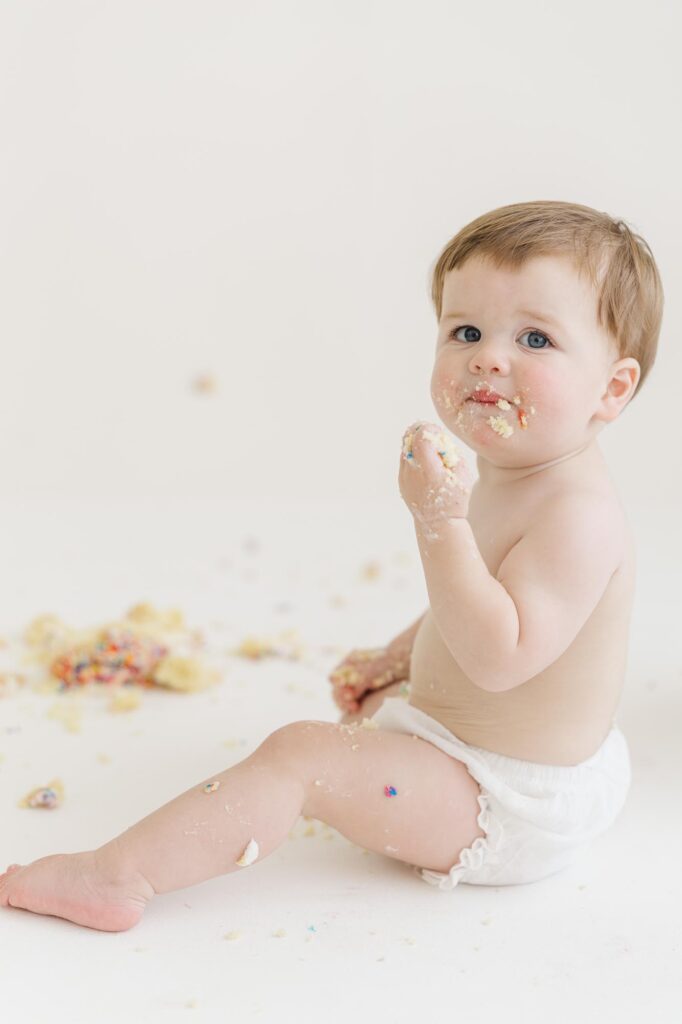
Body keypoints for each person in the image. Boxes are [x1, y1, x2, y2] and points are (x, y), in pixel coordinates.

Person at [0, 200, 664, 931]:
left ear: (612, 388)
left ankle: (113, 877)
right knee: (362, 725)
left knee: (298, 756)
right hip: (476, 750)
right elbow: (490, 593)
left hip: (505, 801)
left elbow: (500, 659)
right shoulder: (518, 473)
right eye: (465, 331)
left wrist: (437, 521)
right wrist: (401, 654)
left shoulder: (579, 516)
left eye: (534, 338)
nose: (488, 357)